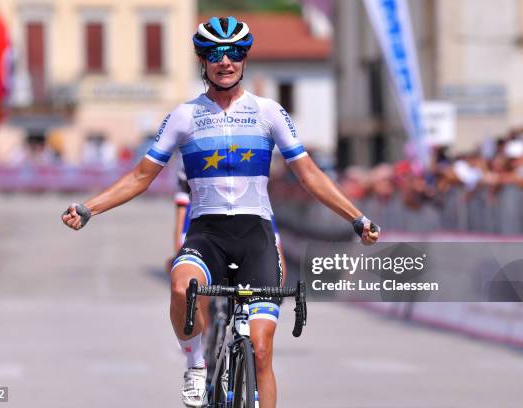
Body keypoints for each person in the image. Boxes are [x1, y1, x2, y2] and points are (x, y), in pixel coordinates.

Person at [62, 16, 380, 408]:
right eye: (215, 54)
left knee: (261, 352)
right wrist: (88, 208)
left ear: (244, 59)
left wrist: (356, 217)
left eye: (234, 53)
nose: (225, 61)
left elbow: (309, 174)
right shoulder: (183, 116)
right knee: (181, 287)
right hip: (206, 233)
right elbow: (140, 176)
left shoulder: (269, 112)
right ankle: (196, 364)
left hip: (256, 236)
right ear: (203, 60)